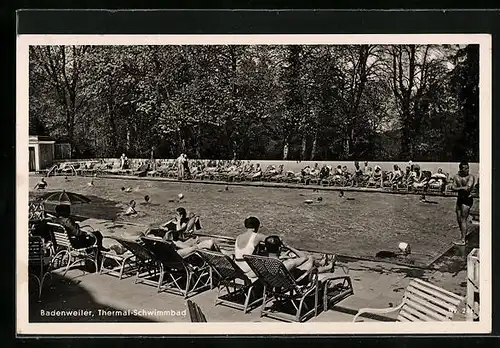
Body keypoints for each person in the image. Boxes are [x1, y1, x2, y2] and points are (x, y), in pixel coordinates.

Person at [263, 235, 340, 284]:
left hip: (275, 282)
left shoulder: (261, 260)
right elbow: (305, 257)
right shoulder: (289, 263)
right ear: (280, 248)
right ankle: (328, 266)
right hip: (297, 280)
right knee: (310, 259)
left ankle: (327, 266)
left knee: (307, 263)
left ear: (266, 248)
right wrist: (288, 246)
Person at [451, 161, 476, 246]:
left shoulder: (471, 177)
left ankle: (463, 240)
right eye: (464, 168)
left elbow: (467, 188)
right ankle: (463, 235)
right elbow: (452, 187)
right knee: (459, 219)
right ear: (460, 169)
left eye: (467, 168)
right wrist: (461, 188)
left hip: (467, 200)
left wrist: (458, 188)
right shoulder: (456, 177)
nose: (466, 170)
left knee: (463, 219)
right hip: (459, 199)